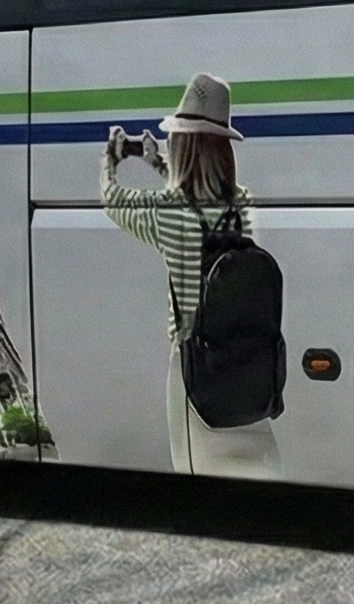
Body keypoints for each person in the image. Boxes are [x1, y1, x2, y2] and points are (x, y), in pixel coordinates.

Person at [101, 73, 274, 471]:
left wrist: (110, 162)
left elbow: (113, 201)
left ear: (181, 144)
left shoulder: (168, 213)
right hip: (247, 361)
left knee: (197, 467)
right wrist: (160, 165)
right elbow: (201, 190)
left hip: (196, 367)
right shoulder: (241, 203)